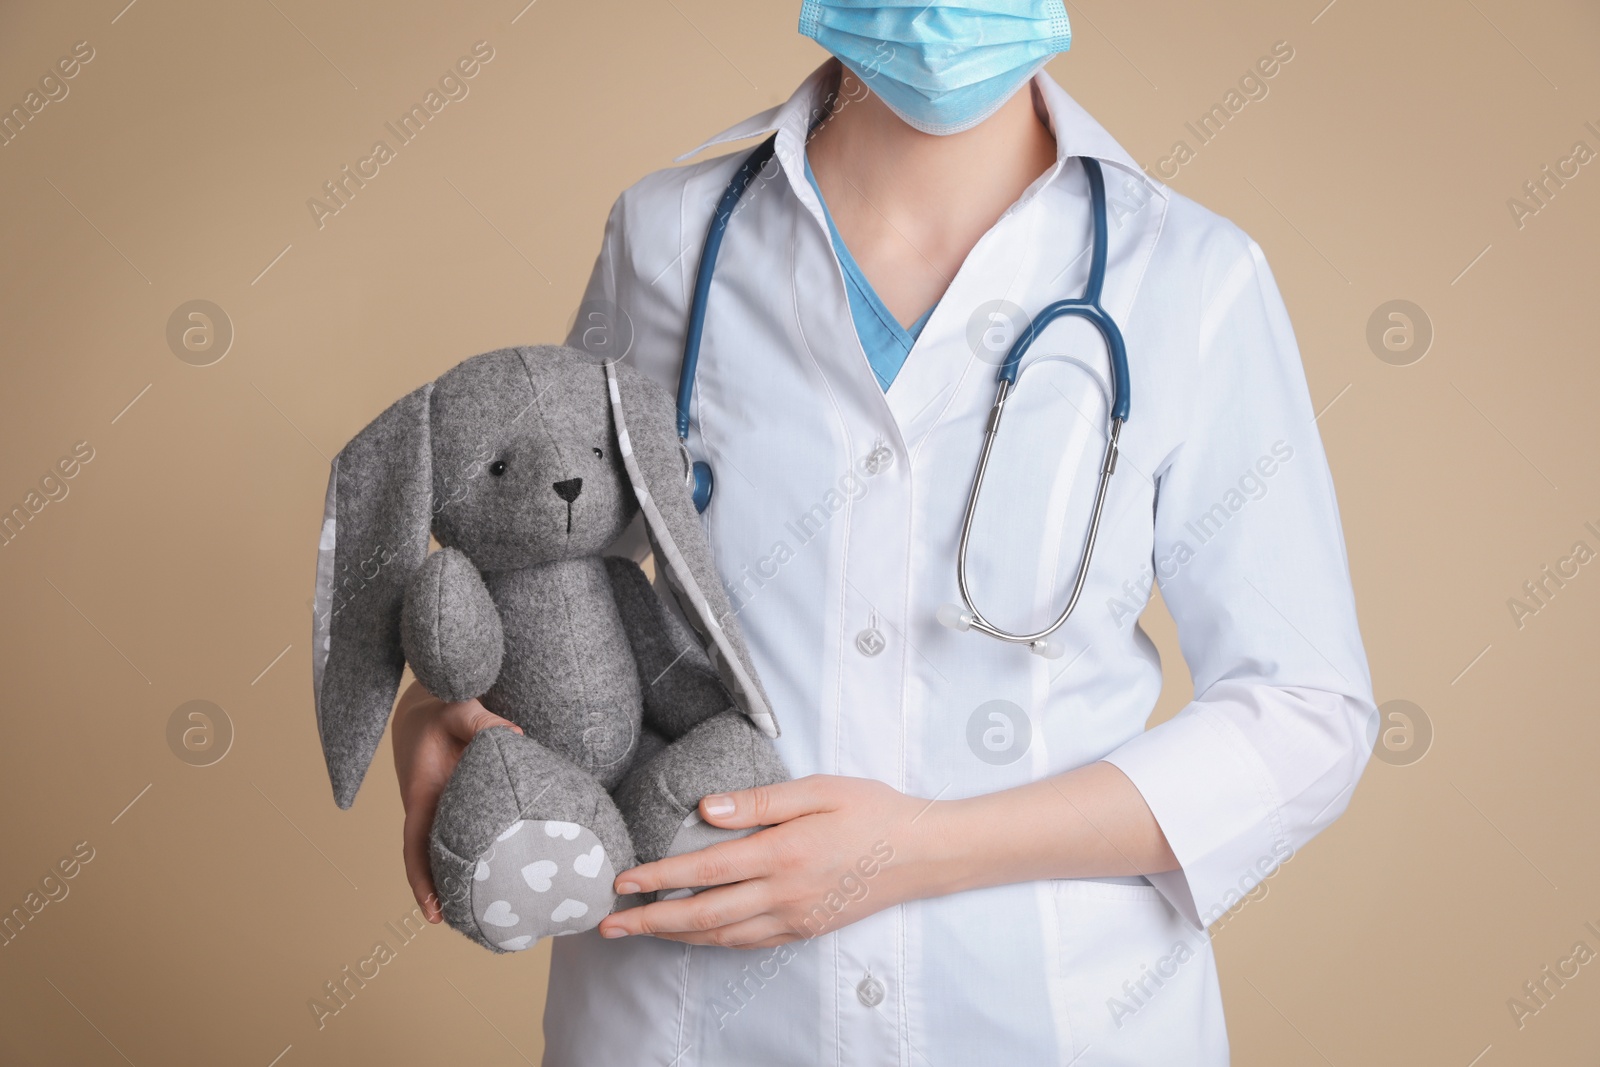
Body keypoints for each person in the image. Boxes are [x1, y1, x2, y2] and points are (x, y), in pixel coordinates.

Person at [389, 3, 1375, 1062]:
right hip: (680, 1006)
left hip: (1040, 1015)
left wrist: (916, 848)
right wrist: (443, 709)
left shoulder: (1188, 276)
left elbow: (1302, 713)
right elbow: (549, 548)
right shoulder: (668, 237)